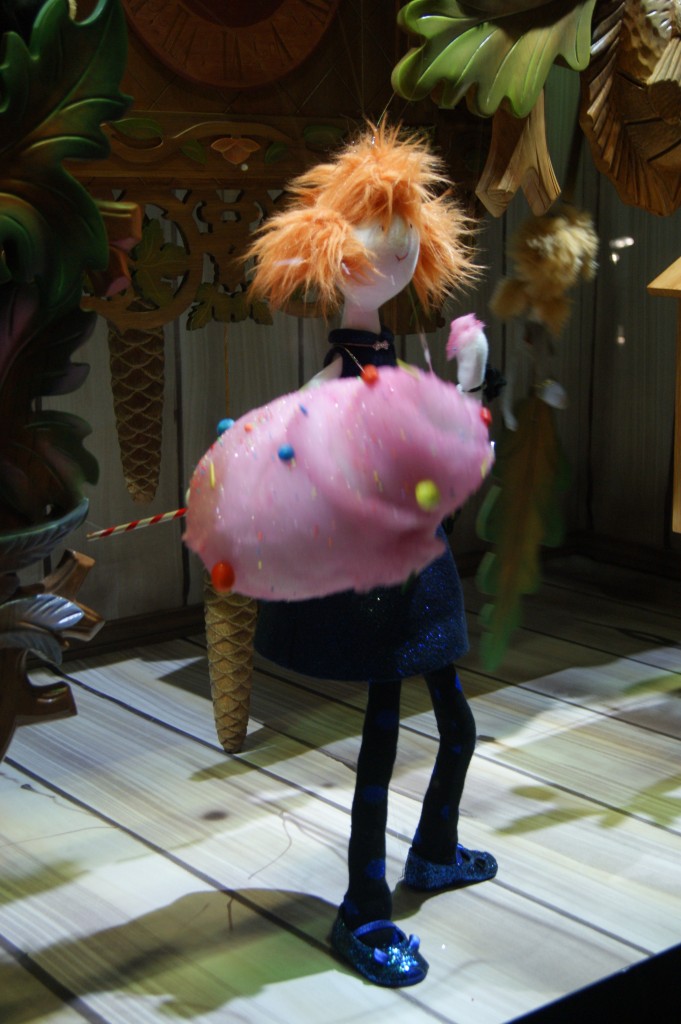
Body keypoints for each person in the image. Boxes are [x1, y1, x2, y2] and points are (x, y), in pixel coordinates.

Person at [246, 123, 498, 986]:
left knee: (454, 725)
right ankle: (362, 907)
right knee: (383, 739)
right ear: (324, 247)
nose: (389, 253)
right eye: (369, 238)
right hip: (382, 585)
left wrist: (468, 380)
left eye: (401, 239)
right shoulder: (341, 376)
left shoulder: (390, 358)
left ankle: (432, 851)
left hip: (418, 572)